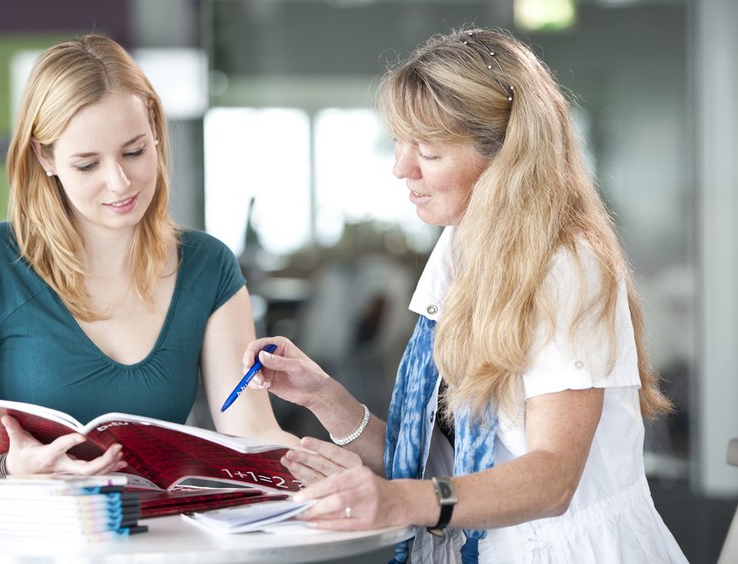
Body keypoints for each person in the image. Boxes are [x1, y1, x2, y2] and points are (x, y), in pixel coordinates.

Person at [242, 27, 687, 563]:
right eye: (400, 143)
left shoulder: (565, 269)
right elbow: (445, 474)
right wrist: (324, 400)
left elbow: (551, 478)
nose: (400, 168)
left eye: (427, 151)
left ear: (504, 158)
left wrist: (398, 500)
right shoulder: (459, 257)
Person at [0, 35, 296, 491]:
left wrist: (334, 467)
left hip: (149, 541)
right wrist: (9, 469)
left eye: (134, 152)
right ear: (45, 157)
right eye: (87, 165)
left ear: (154, 127)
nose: (119, 182)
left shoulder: (208, 267)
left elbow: (251, 434)